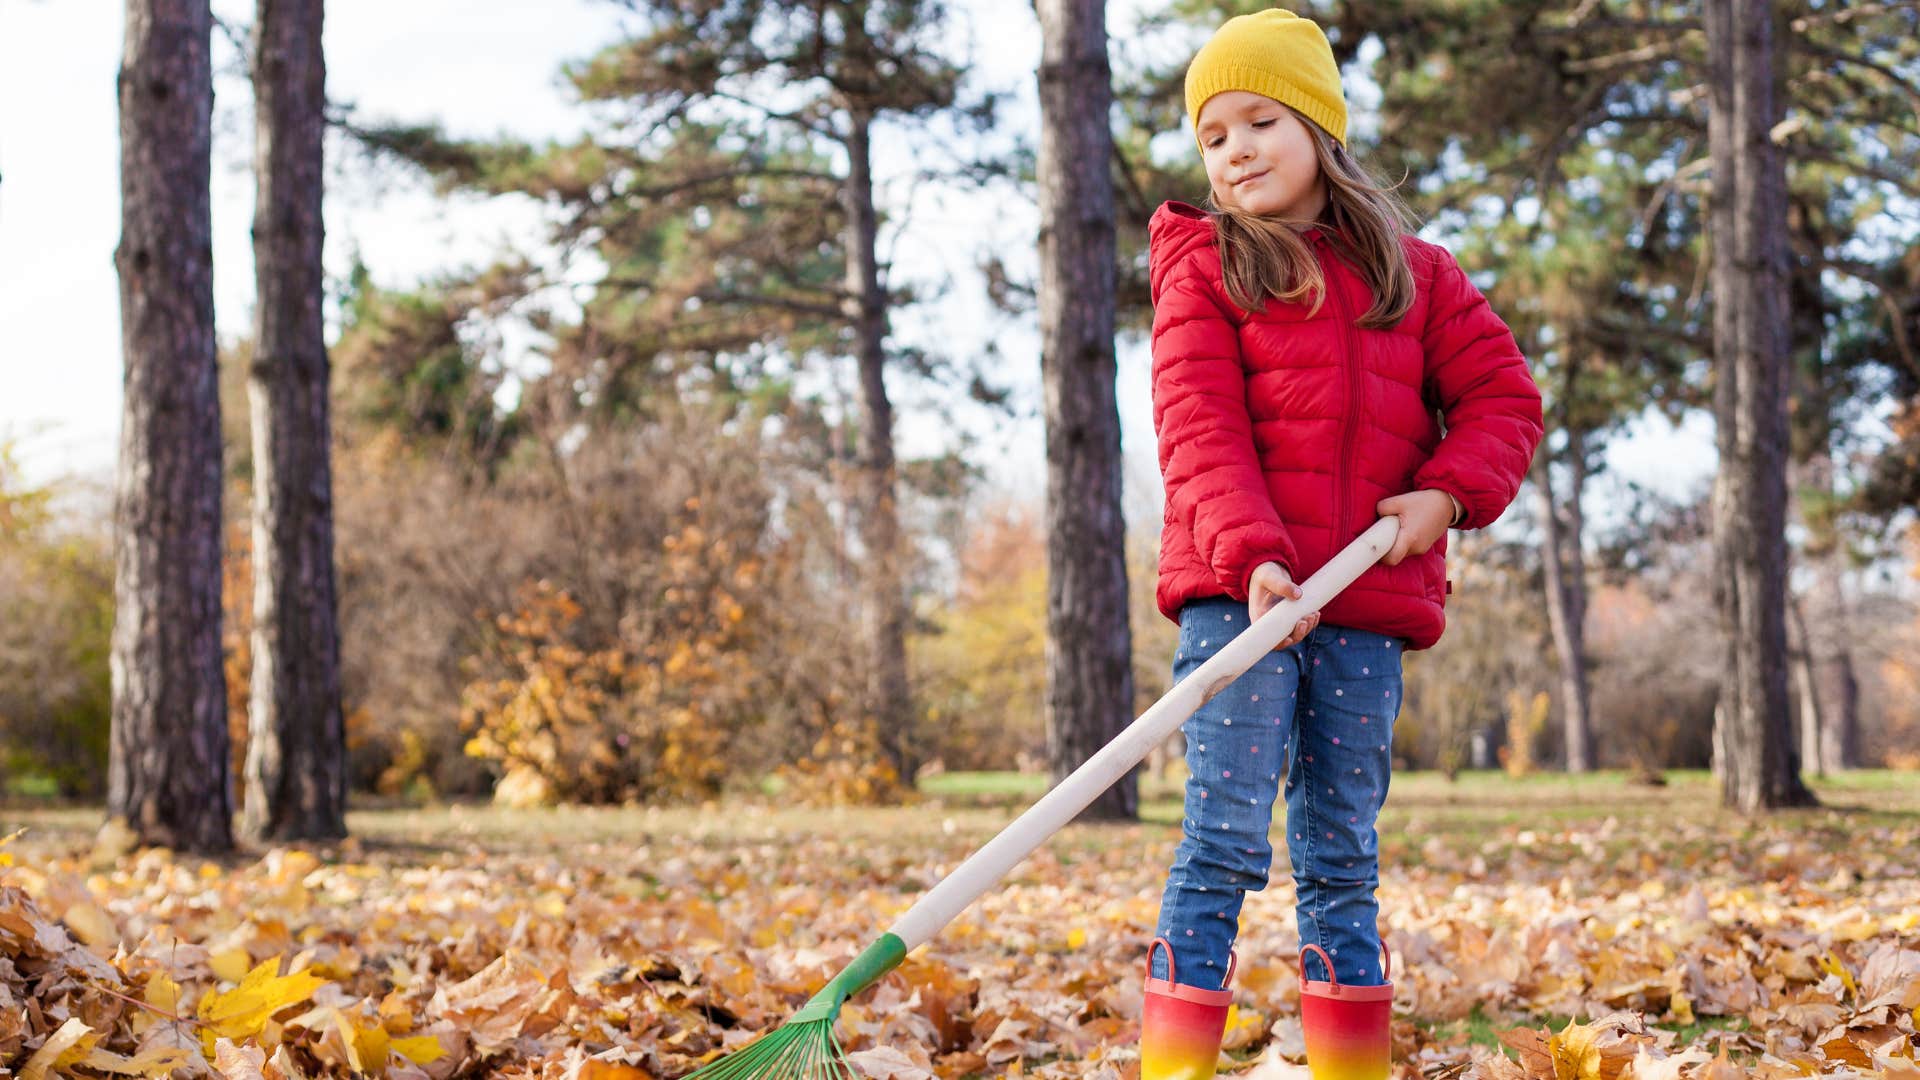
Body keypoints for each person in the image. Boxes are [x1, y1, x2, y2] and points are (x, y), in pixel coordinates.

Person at [1138, 10, 1544, 1080]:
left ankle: (1349, 1067)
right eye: (1212, 134)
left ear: (1319, 125)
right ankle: (1174, 1064)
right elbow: (1200, 431)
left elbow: (1504, 397)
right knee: (1224, 836)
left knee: (1340, 851)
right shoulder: (1206, 269)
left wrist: (1445, 500)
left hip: (1363, 606)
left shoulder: (1418, 278)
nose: (1233, 151)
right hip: (1243, 599)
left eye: (1259, 120)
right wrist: (1255, 560)